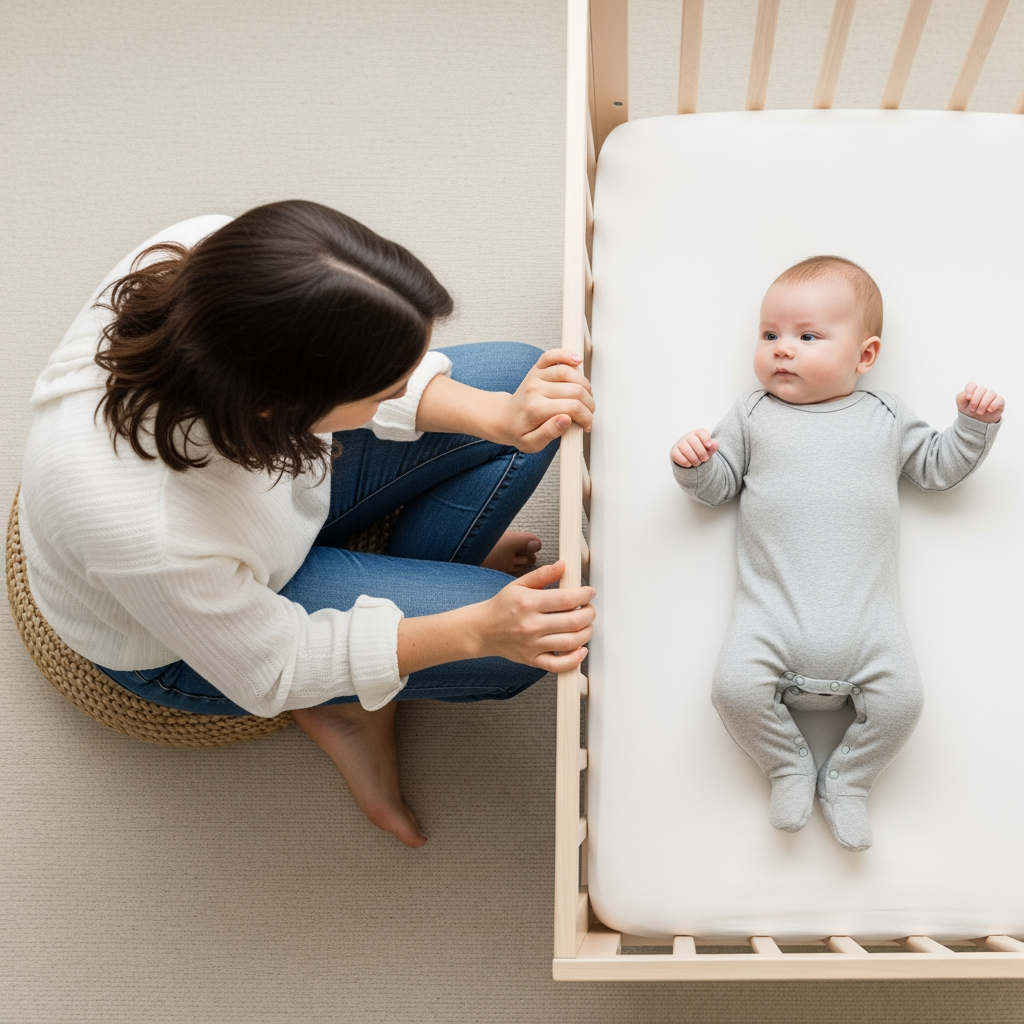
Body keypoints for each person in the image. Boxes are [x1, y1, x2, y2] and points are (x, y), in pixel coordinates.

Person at [20, 200, 596, 849]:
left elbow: (365, 373)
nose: (405, 389)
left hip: (273, 490)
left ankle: (402, 604)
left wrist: (495, 415)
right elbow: (272, 667)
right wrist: (475, 628)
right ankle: (344, 703)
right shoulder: (147, 530)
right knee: (515, 650)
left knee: (532, 391)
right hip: (184, 642)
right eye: (383, 392)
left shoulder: (204, 252)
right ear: (279, 406)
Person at [669, 255, 1003, 851]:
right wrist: (694, 464)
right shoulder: (751, 413)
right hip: (769, 616)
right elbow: (719, 488)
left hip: (870, 623)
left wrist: (971, 427)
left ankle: (849, 778)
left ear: (865, 355)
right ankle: (788, 766)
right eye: (769, 334)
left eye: (806, 336)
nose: (781, 350)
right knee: (732, 690)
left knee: (905, 701)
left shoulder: (887, 414)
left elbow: (935, 468)